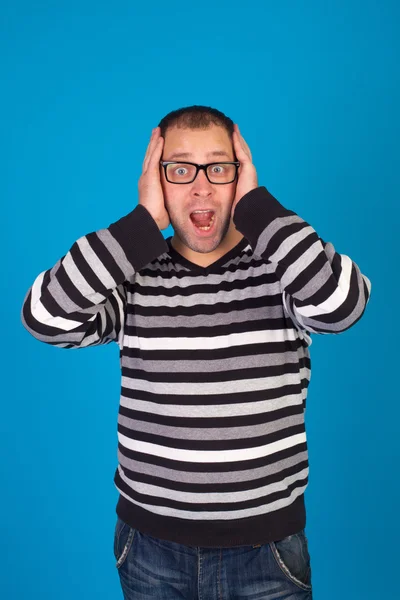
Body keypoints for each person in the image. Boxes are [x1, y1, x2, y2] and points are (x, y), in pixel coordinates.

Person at [21, 105, 372, 599]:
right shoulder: (133, 276)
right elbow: (45, 318)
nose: (201, 186)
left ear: (240, 176)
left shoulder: (282, 268)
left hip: (267, 550)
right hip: (150, 549)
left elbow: (342, 305)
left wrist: (260, 208)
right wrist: (141, 224)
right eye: (181, 169)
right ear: (156, 180)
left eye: (219, 168)